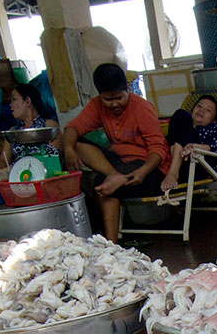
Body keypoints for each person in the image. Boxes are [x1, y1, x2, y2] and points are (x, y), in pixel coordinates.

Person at [63, 62, 171, 242]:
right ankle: (114, 175)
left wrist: (142, 171)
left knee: (102, 183)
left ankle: (110, 244)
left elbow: (158, 149)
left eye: (119, 98)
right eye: (108, 99)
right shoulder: (97, 105)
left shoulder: (141, 107)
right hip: (121, 164)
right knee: (76, 144)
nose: (114, 104)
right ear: (100, 95)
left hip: (150, 168)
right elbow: (72, 128)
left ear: (127, 88)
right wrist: (67, 149)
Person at [160, 95, 217, 193]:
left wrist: (196, 147)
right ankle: (175, 163)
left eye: (208, 110)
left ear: (213, 120)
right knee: (181, 114)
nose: (202, 110)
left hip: (194, 165)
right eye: (199, 106)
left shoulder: (214, 129)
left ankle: (173, 172)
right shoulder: (183, 122)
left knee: (187, 126)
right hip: (170, 160)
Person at [0, 83, 62, 169]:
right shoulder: (13, 132)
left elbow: (54, 158)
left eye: (14, 99)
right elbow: (3, 161)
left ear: (27, 101)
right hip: (17, 172)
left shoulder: (48, 126)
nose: (10, 105)